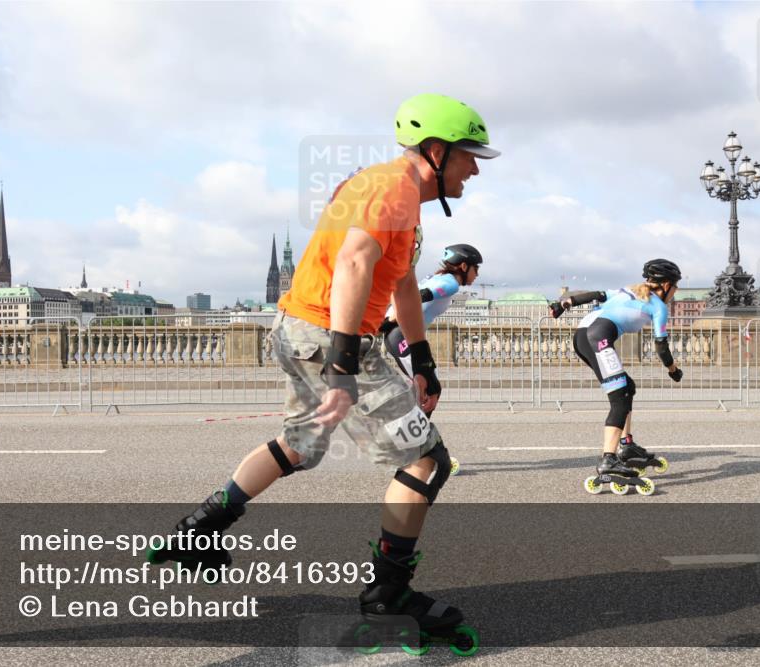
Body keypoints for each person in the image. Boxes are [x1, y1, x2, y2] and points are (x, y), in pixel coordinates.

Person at [149, 93, 499, 654]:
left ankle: (202, 525)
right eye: (468, 155)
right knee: (428, 461)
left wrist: (423, 358)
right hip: (331, 336)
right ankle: (389, 595)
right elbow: (356, 262)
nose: (476, 168)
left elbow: (402, 282)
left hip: (299, 326)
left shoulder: (392, 193)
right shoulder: (392, 188)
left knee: (300, 444)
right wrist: (342, 366)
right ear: (436, 151)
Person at [549, 259, 683, 496]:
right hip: (597, 337)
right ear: (665, 285)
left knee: (626, 386)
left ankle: (627, 445)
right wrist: (673, 370)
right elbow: (661, 346)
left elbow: (597, 295)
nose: (675, 293)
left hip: (583, 334)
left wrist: (565, 304)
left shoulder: (627, 290)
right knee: (620, 396)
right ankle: (608, 459)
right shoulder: (659, 307)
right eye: (675, 287)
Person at [380, 243, 484, 475]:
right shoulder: (450, 283)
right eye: (476, 269)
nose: (477, 274)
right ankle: (411, 451)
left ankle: (407, 446)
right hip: (403, 337)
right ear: (464, 266)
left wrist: (387, 319)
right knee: (427, 393)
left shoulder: (435, 277)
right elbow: (418, 296)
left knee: (422, 394)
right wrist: (390, 320)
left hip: (400, 336)